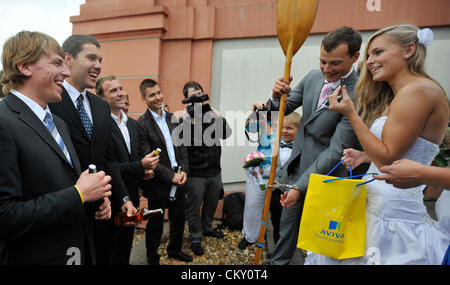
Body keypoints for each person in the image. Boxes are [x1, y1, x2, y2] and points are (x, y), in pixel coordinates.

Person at [308, 24, 450, 265]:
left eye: (378, 52)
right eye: (368, 55)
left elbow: (388, 158)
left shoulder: (418, 91)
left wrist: (351, 114)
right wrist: (365, 157)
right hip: (379, 206)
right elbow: (397, 150)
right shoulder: (405, 92)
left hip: (393, 217)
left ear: (409, 50)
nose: (370, 61)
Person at [0, 31, 112, 265]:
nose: (67, 72)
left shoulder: (57, 122)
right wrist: (78, 194)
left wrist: (93, 199)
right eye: (57, 63)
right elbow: (6, 216)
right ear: (25, 67)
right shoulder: (4, 121)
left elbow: (64, 184)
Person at [254, 26, 363, 265]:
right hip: (296, 169)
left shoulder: (359, 93)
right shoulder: (314, 77)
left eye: (335, 63)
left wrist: (301, 186)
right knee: (286, 232)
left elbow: (337, 149)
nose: (327, 69)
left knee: (323, 241)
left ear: (355, 57)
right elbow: (281, 111)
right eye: (323, 61)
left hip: (329, 179)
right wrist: (275, 96)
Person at [48, 34, 130, 265]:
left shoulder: (101, 106)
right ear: (68, 59)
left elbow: (108, 159)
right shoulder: (50, 101)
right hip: (64, 214)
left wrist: (118, 197)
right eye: (91, 58)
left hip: (102, 211)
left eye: (101, 60)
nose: (98, 66)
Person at [95, 75, 159, 264]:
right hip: (113, 201)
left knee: (125, 248)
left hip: (132, 197)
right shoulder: (102, 126)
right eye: (113, 90)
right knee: (109, 252)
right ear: (102, 98)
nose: (121, 93)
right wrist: (140, 166)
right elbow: (110, 166)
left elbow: (135, 159)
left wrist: (145, 172)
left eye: (121, 88)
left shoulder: (132, 123)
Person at [137, 79, 192, 264]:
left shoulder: (173, 118)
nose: (158, 97)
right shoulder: (142, 124)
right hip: (158, 183)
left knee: (179, 218)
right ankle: (152, 257)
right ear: (144, 98)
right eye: (152, 95)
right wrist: (171, 176)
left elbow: (182, 147)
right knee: (156, 223)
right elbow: (149, 158)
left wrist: (183, 171)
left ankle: (175, 250)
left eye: (159, 92)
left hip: (180, 177)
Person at [175, 81, 232, 256]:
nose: (198, 93)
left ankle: (207, 228)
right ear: (186, 98)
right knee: (193, 207)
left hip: (215, 170)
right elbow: (182, 143)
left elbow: (226, 133)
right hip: (195, 173)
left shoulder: (211, 113)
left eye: (200, 90)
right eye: (194, 92)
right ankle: (195, 238)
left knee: (211, 203)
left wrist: (214, 113)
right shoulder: (182, 118)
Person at [239, 112, 301, 250]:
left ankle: (282, 245)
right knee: (252, 206)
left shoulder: (300, 144)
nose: (284, 131)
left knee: (279, 216)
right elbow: (250, 129)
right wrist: (257, 112)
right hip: (260, 176)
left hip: (282, 183)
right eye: (282, 127)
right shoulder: (267, 123)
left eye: (289, 128)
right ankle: (250, 236)